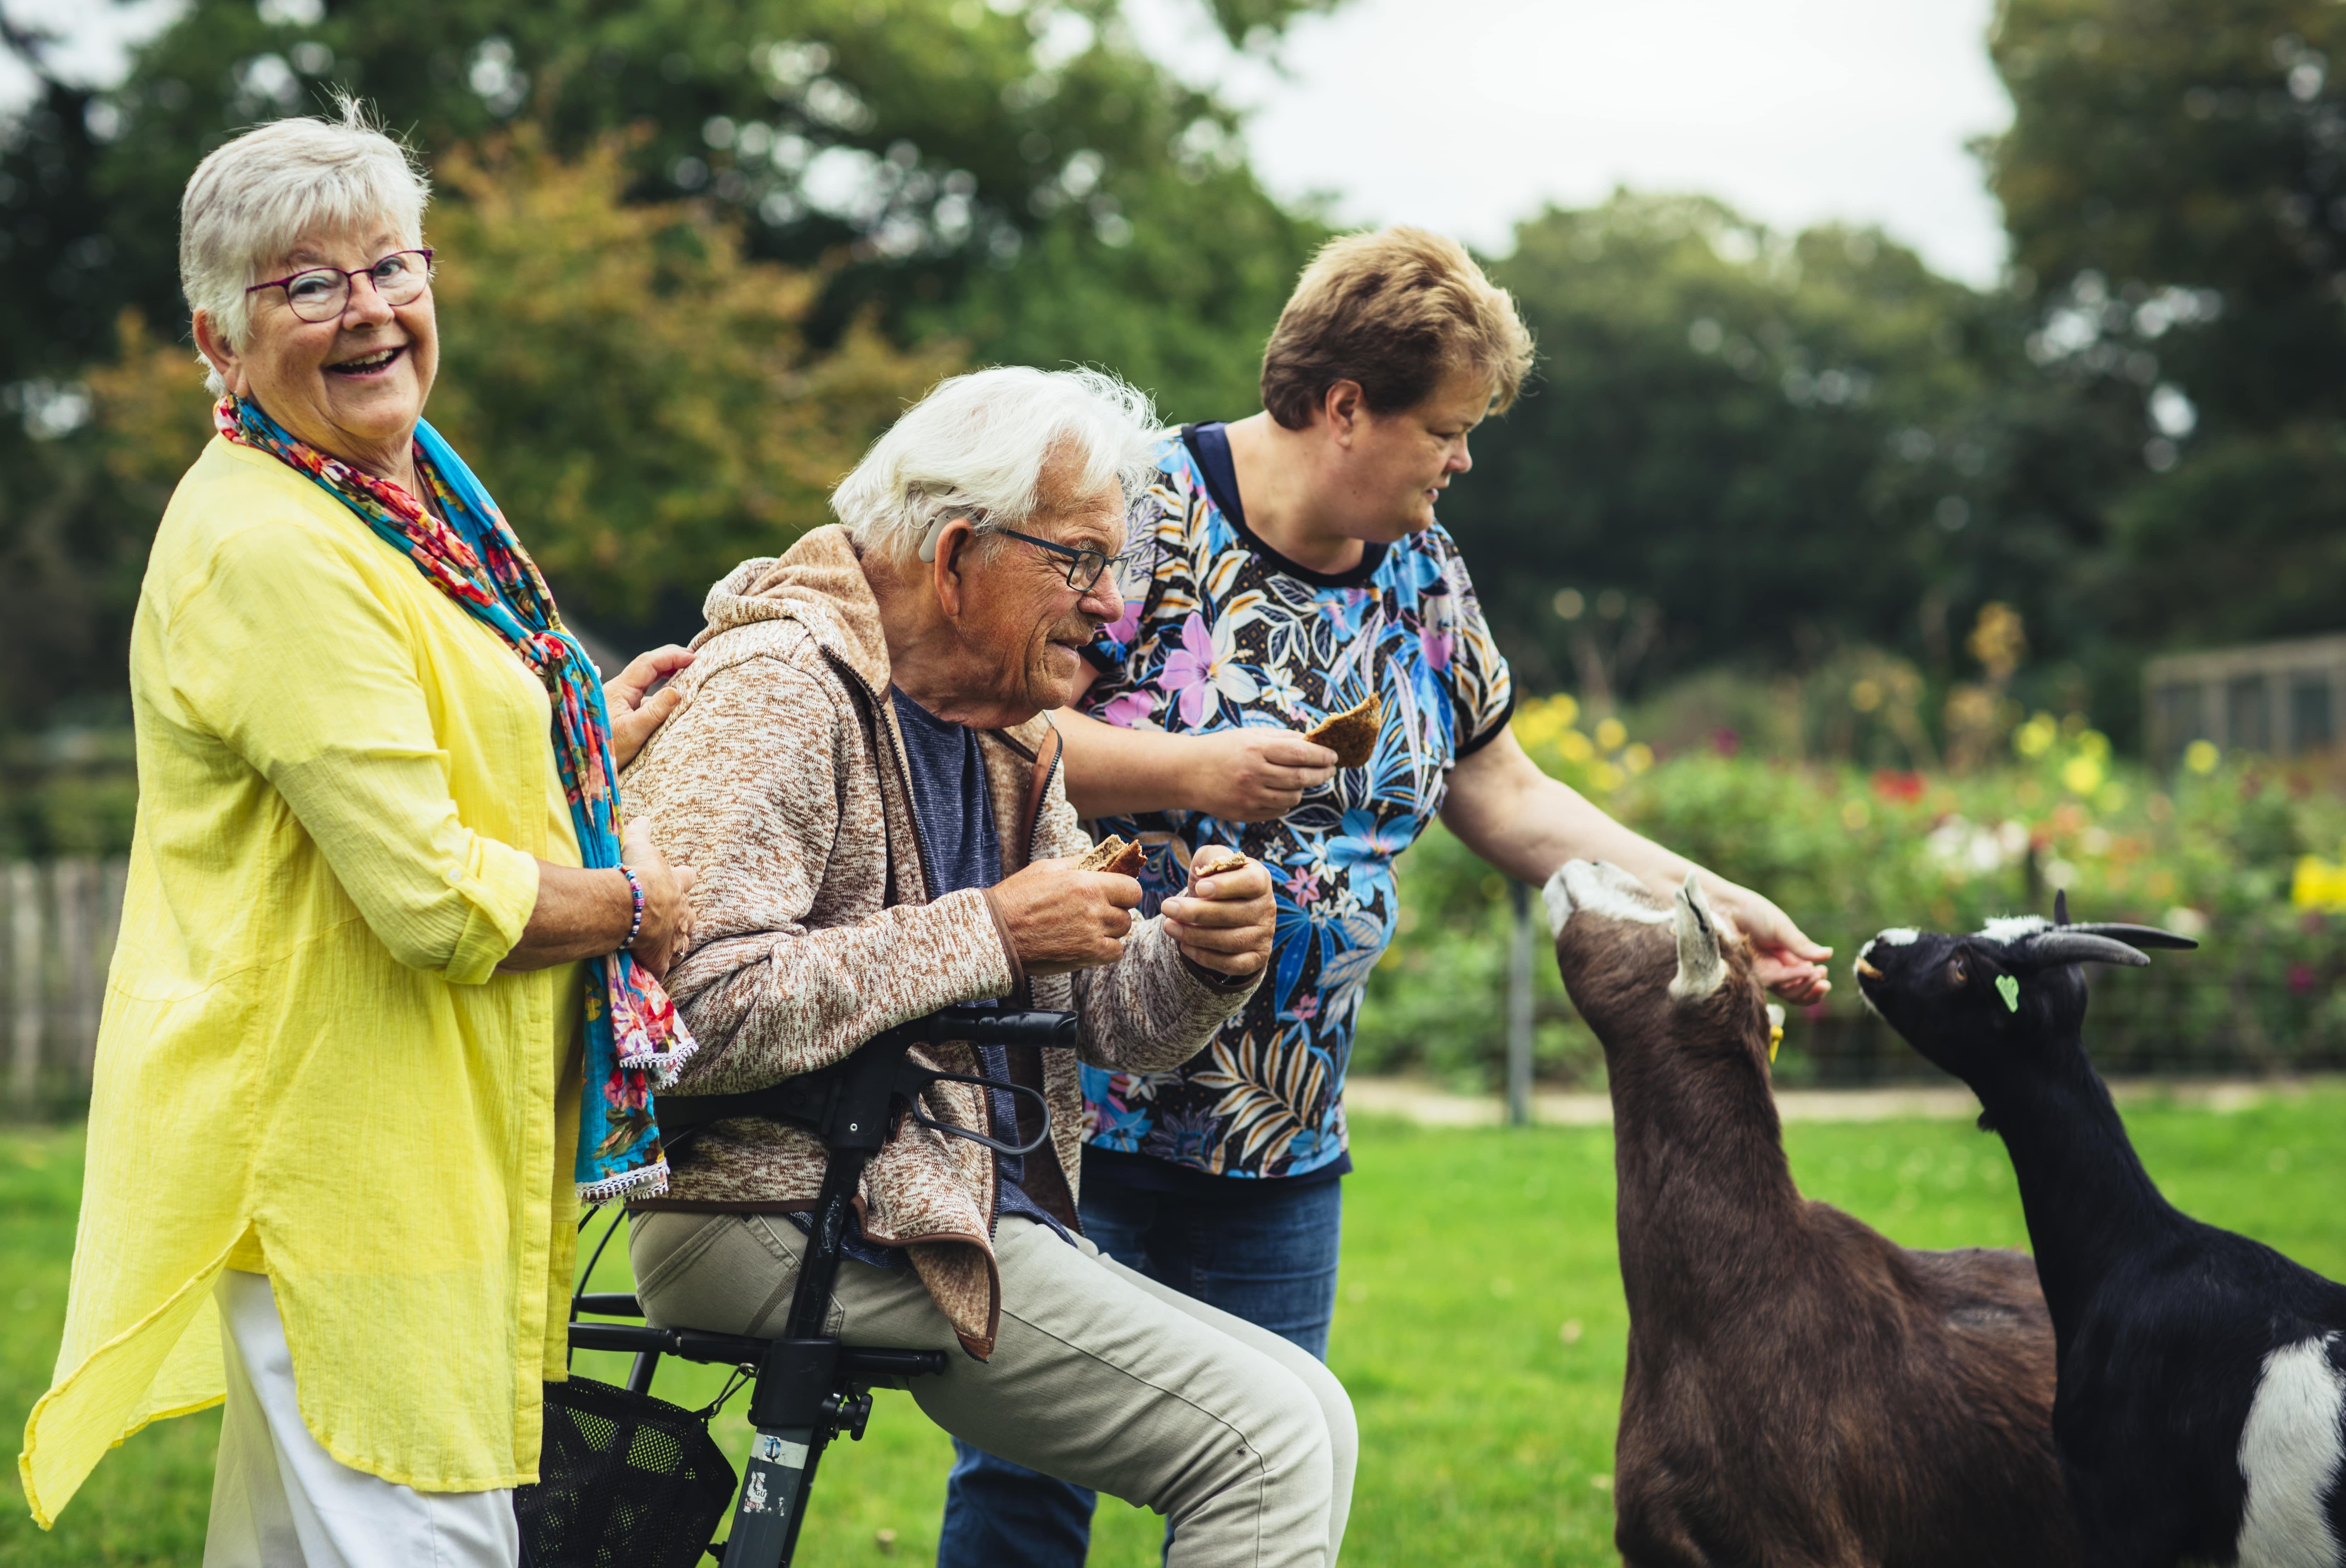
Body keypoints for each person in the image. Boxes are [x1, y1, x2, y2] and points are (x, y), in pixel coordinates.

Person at [938, 226, 1836, 1562]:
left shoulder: (1424, 571)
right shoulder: (1140, 516)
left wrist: (1718, 903)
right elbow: (986, 729)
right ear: (1346, 404)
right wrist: (1194, 767)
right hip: (1082, 1114)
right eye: (1449, 427)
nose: (1464, 459)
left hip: (1285, 1144)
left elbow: (1510, 795)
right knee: (1025, 1502)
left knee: (1272, 1480)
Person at [16, 105, 702, 1566]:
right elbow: (436, 898)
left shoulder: (401, 490)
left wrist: (585, 736)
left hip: (404, 1127)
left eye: (392, 265)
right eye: (306, 284)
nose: (370, 311)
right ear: (217, 338)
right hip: (345, 1144)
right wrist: (635, 905)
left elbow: (411, 752)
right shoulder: (275, 541)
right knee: (423, 1522)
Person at [620, 365, 1355, 1568]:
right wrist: (992, 930)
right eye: (1081, 561)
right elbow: (681, 1015)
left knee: (1311, 1412)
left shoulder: (1009, 730)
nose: (1113, 607)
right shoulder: (775, 693)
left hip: (907, 1205)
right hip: (758, 1209)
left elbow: (1106, 1022)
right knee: (1263, 1443)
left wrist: (1200, 958)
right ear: (959, 553)